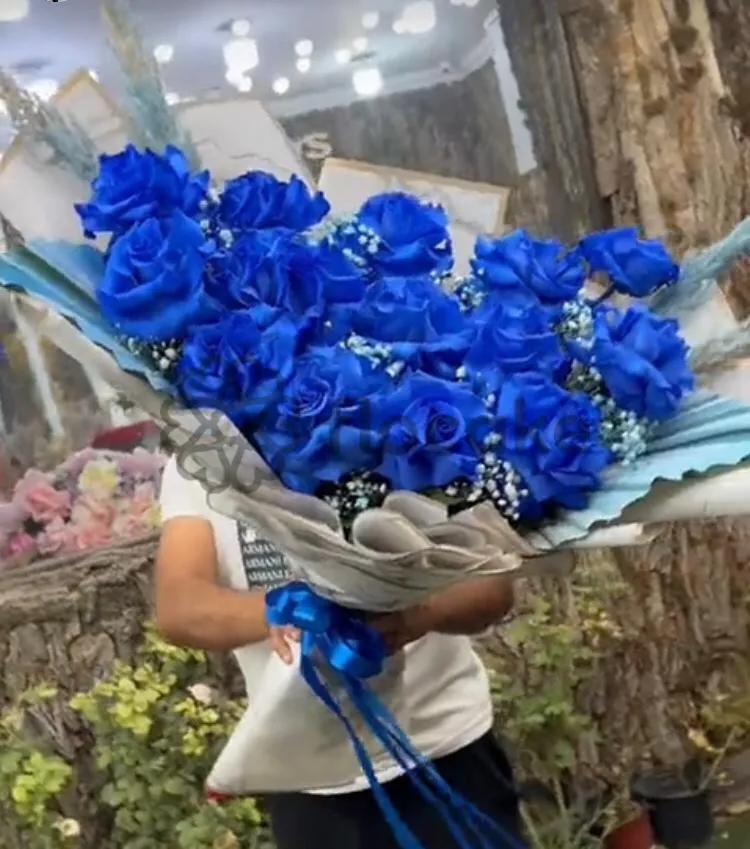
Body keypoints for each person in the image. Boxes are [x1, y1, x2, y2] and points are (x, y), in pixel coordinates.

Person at [156, 456, 523, 849]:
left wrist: (416, 613)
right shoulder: (201, 455)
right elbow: (180, 608)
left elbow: (491, 589)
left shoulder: (391, 430)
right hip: (308, 782)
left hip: (445, 753)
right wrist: (287, 609)